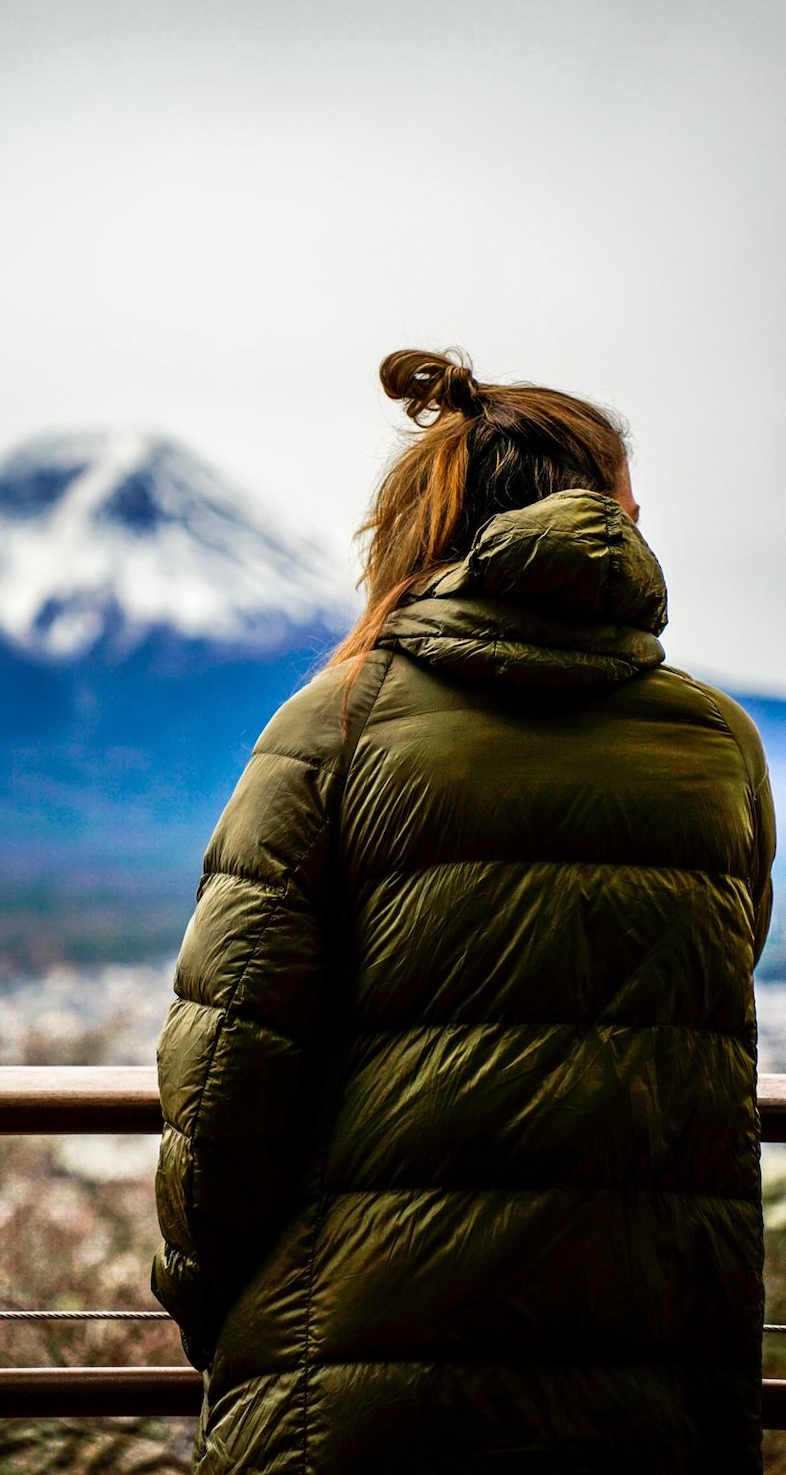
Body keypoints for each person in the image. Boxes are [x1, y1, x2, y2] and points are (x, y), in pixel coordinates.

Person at [152, 348, 774, 1473]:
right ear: (604, 524)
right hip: (658, 1380)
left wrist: (221, 1317)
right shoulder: (717, 742)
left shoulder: (335, 723)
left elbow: (228, 1070)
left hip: (353, 1378)